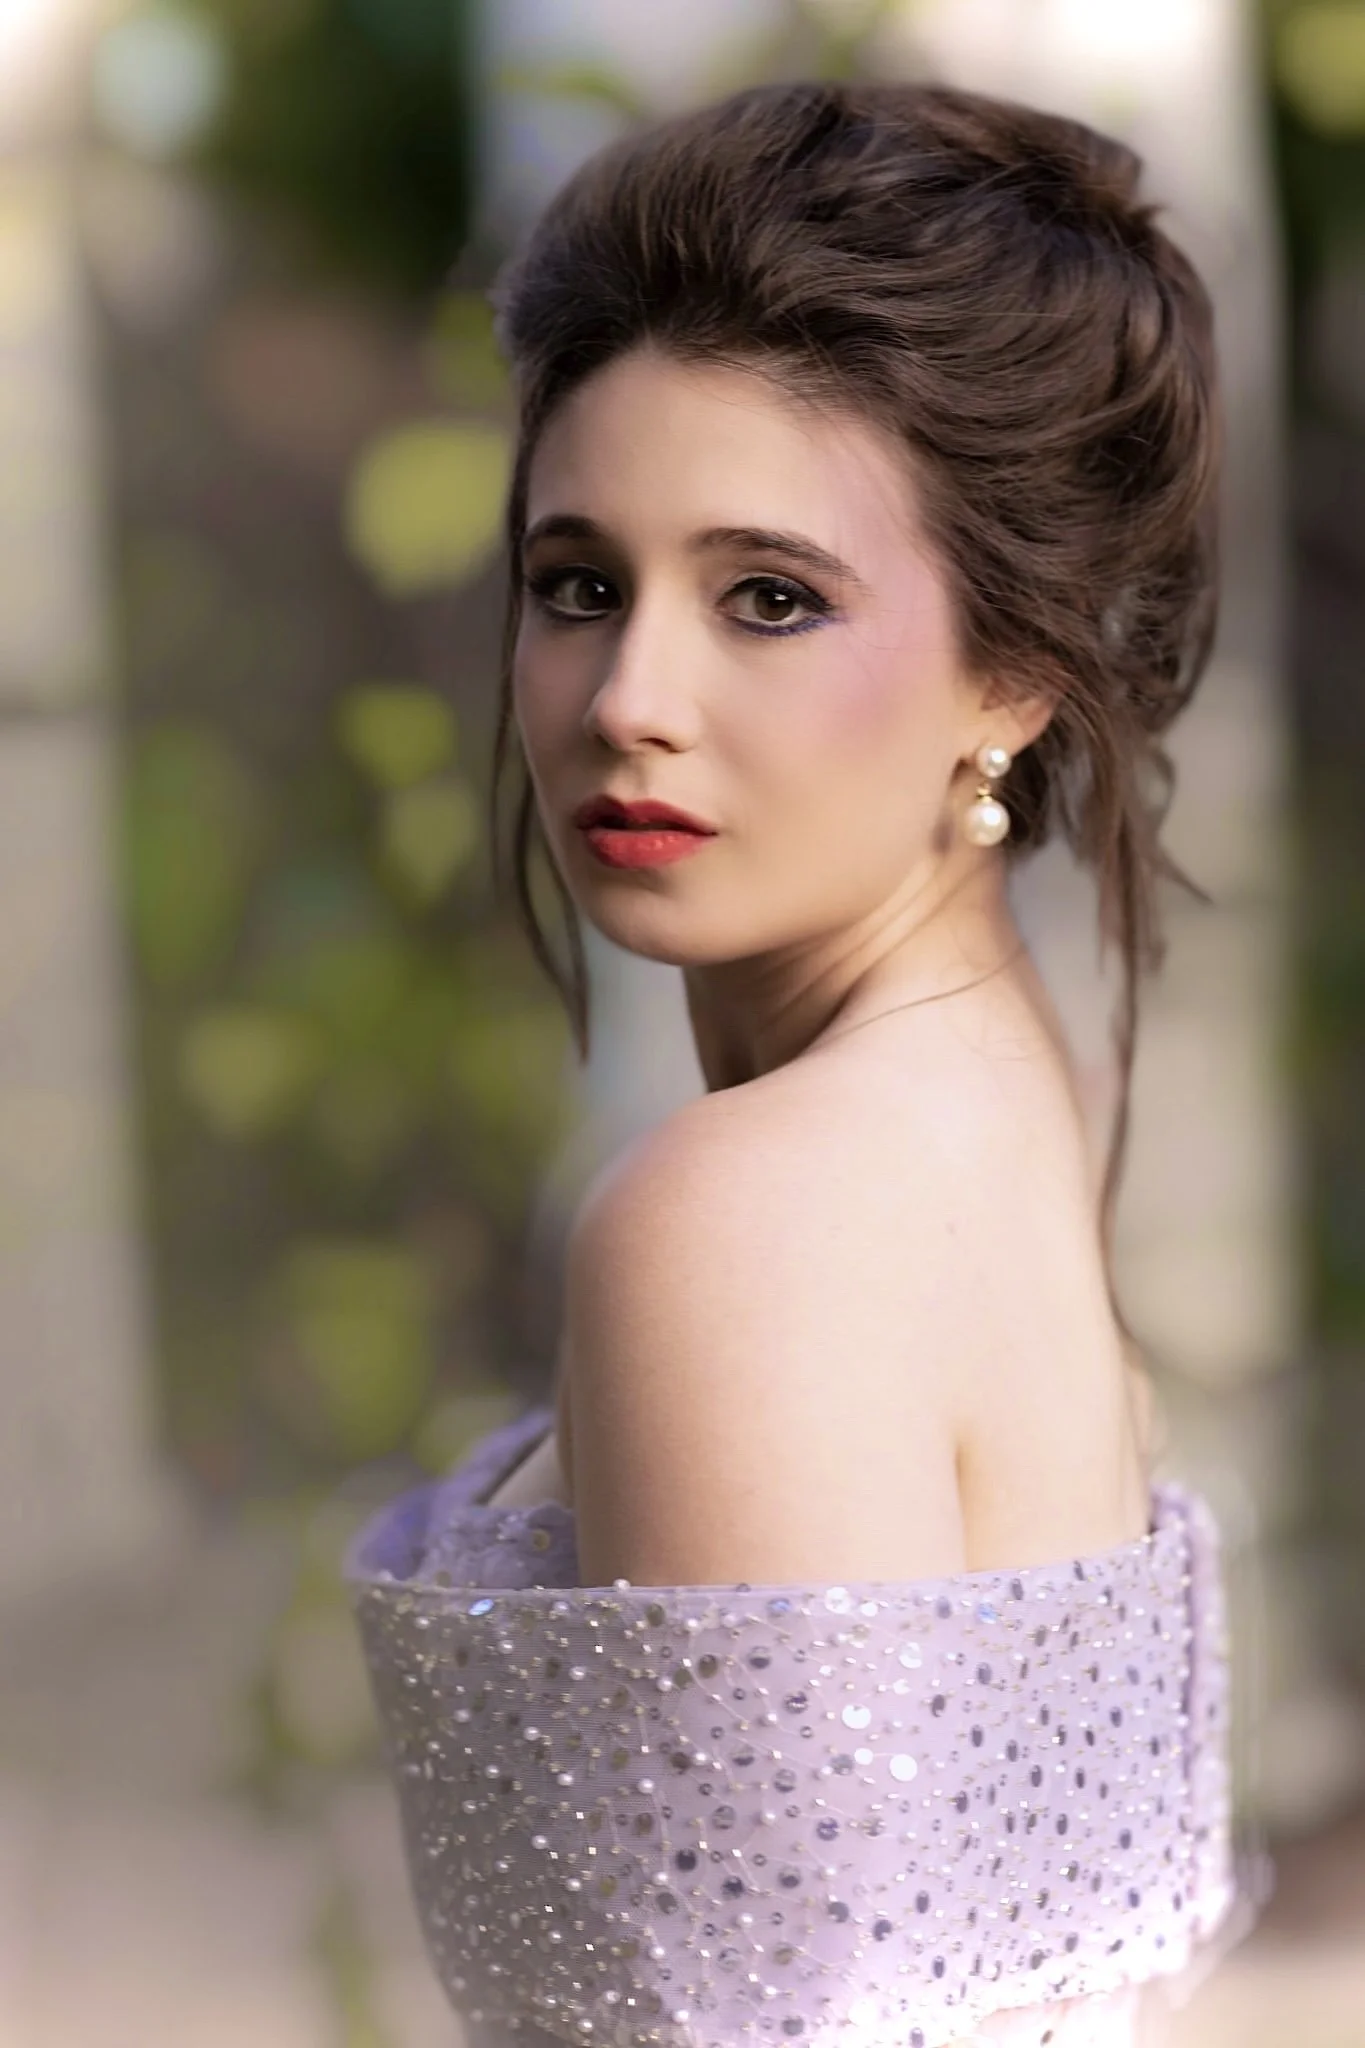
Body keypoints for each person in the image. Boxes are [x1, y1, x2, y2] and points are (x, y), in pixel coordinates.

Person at [346, 79, 1266, 2047]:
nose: (628, 700)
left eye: (770, 597)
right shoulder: (997, 1105)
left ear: (1013, 671)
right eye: (577, 582)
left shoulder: (749, 1215)